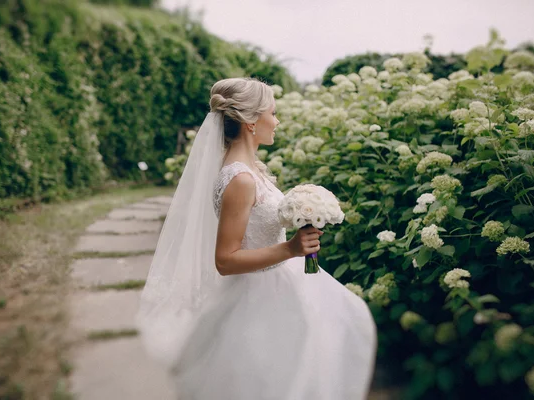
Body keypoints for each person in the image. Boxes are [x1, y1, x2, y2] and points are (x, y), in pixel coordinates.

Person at [136, 77, 377, 400]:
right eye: (273, 113)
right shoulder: (240, 179)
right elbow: (225, 259)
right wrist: (290, 248)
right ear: (251, 121)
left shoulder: (251, 169)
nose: (276, 121)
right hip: (258, 296)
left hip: (281, 282)